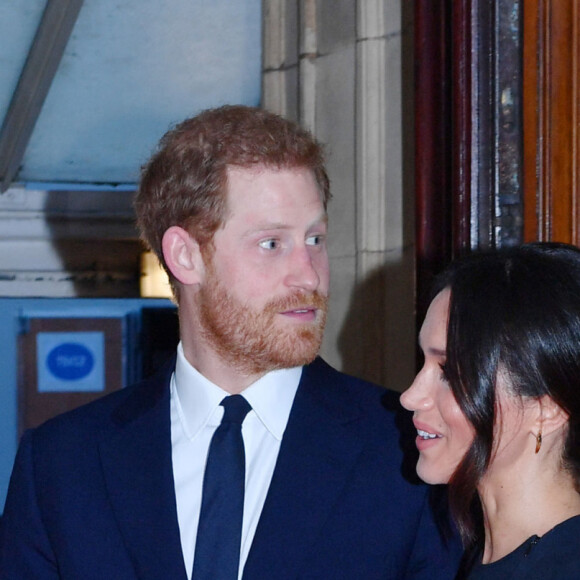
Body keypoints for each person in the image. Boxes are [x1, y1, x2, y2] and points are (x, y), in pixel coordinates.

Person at [0, 105, 461, 579]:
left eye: (315, 240)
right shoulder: (62, 463)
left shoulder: (410, 451)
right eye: (272, 244)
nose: (309, 275)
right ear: (186, 256)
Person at [400, 242, 580, 579]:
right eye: (423, 363)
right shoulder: (480, 556)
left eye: (449, 374)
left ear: (548, 407)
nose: (410, 397)